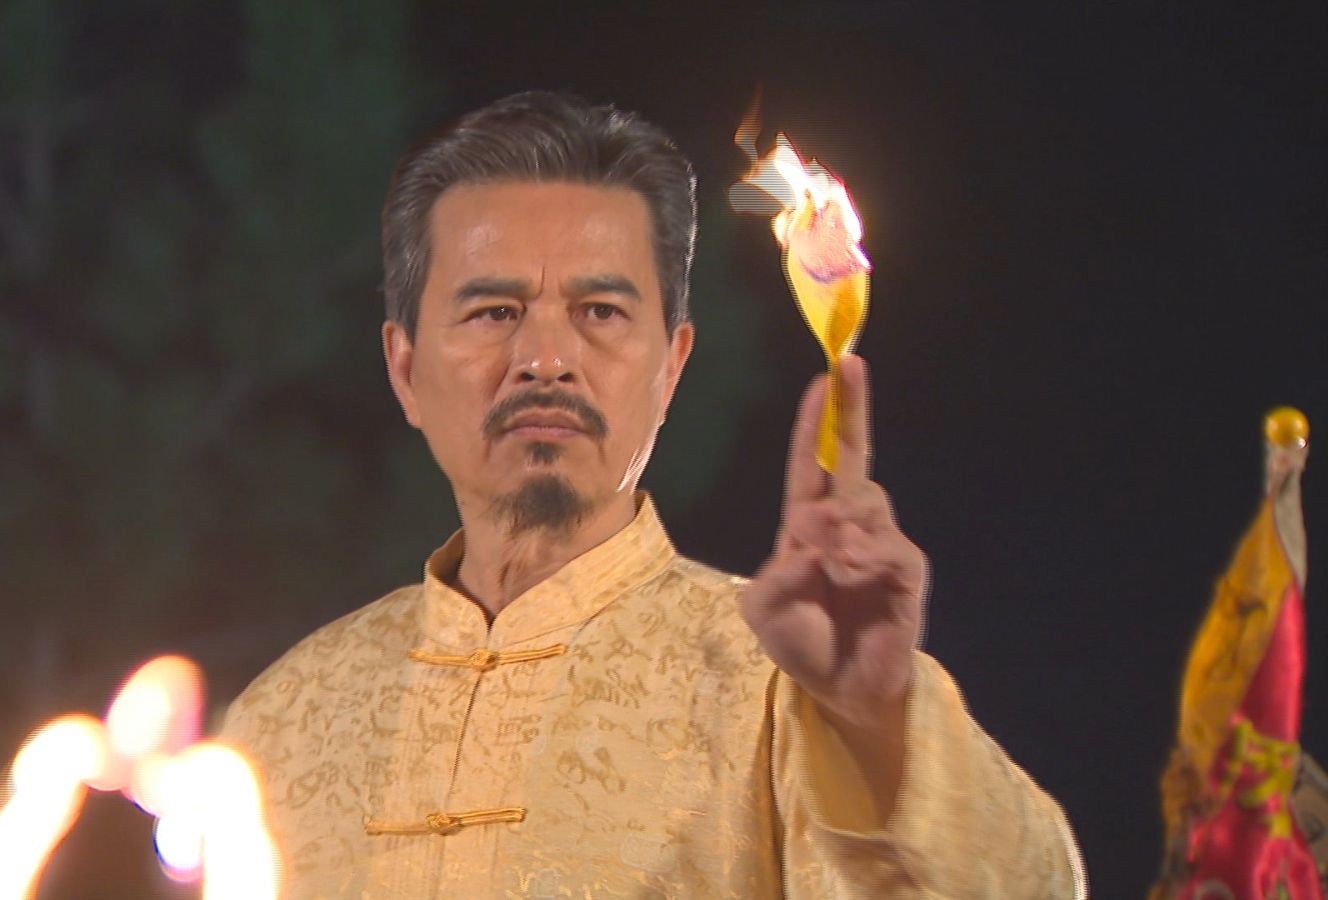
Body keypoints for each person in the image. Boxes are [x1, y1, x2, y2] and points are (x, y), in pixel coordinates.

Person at [222, 91, 1085, 898]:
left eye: (600, 311)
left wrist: (876, 720)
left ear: (671, 368)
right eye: (494, 313)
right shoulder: (285, 720)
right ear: (405, 369)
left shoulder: (788, 689)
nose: (546, 359)